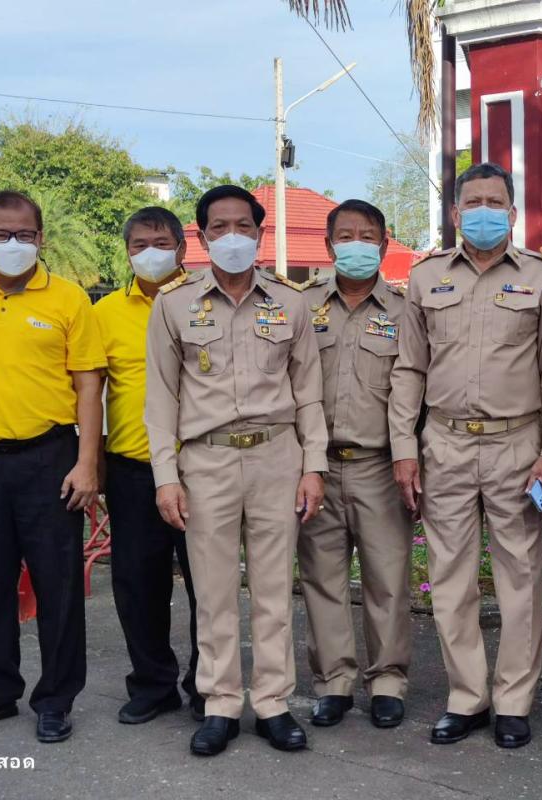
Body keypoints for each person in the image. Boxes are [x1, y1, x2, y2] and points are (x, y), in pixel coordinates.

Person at [389, 162, 542, 749]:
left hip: (518, 444)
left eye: (496, 202)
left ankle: (514, 701)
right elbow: (409, 368)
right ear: (455, 212)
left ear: (513, 214)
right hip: (444, 443)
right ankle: (466, 697)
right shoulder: (426, 277)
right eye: (474, 202)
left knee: (521, 578)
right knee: (450, 578)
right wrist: (404, 448)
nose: (484, 211)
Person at [144, 184, 328, 757]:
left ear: (260, 233)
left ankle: (272, 703)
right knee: (214, 591)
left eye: (243, 226)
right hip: (207, 461)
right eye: (219, 227)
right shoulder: (173, 304)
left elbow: (309, 393)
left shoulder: (290, 302)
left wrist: (313, 466)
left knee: (274, 590)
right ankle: (220, 703)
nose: (232, 236)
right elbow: (160, 399)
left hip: (277, 457)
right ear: (201, 238)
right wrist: (166, 476)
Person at [0, 190, 107, 744]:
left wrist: (87, 463)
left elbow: (88, 385)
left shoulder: (68, 298)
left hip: (50, 459)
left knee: (58, 584)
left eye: (25, 235)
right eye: (0, 234)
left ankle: (56, 699)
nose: (13, 244)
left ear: (41, 238)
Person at [297, 199, 414, 729]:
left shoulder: (406, 311)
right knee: (322, 579)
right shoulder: (301, 307)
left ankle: (387, 680)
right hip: (317, 465)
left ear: (384, 246)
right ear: (328, 246)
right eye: (345, 236)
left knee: (387, 579)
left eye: (367, 237)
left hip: (380, 465)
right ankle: (334, 682)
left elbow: (417, 390)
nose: (356, 245)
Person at [93, 207, 203, 725]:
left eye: (161, 243)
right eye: (139, 245)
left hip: (200, 467)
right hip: (133, 468)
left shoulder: (204, 300)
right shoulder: (106, 313)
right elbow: (91, 393)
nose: (150, 253)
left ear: (182, 249)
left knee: (207, 583)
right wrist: (92, 463)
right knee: (138, 584)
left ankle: (208, 683)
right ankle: (153, 684)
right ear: (127, 251)